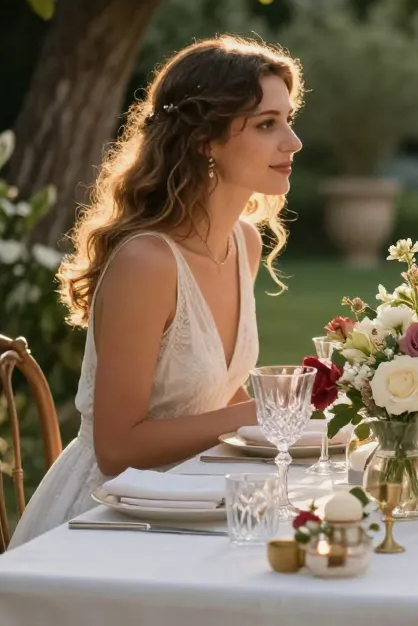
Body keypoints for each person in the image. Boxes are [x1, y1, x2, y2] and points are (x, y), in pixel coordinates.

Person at [10, 36, 304, 547]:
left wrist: (283, 430)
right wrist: (261, 412)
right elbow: (117, 447)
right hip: (110, 522)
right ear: (204, 142)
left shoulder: (244, 243)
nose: (293, 142)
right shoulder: (147, 262)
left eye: (288, 118)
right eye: (266, 124)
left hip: (196, 504)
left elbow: (207, 389)